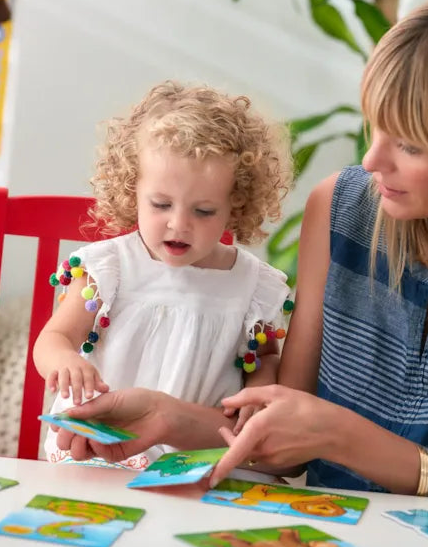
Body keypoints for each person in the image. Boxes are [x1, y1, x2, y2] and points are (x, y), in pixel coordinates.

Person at [54, 0, 428, 504]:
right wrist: (167, 416)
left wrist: (348, 439)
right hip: (326, 538)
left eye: (409, 143)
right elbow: (285, 438)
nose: (372, 161)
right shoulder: (342, 207)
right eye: (374, 127)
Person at [34, 80, 293, 469]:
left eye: (203, 211)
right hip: (98, 453)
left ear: (235, 204)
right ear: (131, 190)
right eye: (160, 204)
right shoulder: (110, 269)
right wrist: (64, 362)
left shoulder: (252, 286)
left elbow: (265, 359)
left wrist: (258, 394)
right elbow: (54, 337)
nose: (178, 224)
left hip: (199, 461)